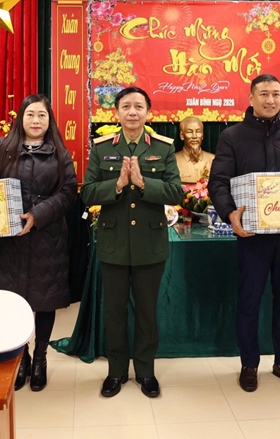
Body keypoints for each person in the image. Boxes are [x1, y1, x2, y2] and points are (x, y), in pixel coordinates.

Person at [208, 74, 280, 393]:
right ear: (251, 98)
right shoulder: (232, 136)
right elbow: (218, 182)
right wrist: (229, 212)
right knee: (249, 300)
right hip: (252, 237)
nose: (271, 100)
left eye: (276, 94)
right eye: (264, 94)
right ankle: (249, 363)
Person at [81, 86, 183, 399]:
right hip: (113, 242)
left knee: (147, 312)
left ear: (148, 113)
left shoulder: (163, 148)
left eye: (139, 106)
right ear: (116, 113)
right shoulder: (102, 148)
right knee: (114, 312)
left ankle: (145, 371)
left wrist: (142, 182)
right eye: (126, 106)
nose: (133, 112)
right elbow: (87, 192)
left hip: (150, 243)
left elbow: (176, 192)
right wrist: (118, 183)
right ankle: (116, 371)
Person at [0, 94, 77, 392]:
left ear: (49, 120)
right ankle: (21, 357)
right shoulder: (3, 149)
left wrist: (37, 214)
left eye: (42, 115)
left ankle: (41, 358)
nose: (36, 120)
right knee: (12, 302)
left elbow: (68, 192)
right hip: (8, 241)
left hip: (47, 239)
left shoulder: (60, 152)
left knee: (44, 300)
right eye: (30, 114)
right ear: (21, 118)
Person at [174, 116, 216, 183]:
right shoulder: (173, 160)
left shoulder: (213, 159)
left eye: (198, 132)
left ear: (202, 135)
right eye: (189, 132)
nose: (194, 136)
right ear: (182, 135)